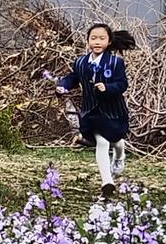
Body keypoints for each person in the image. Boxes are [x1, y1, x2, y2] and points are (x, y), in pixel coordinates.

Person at [56, 22, 131, 200]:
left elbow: (122, 84)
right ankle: (107, 182)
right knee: (103, 142)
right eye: (93, 38)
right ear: (88, 40)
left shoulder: (115, 62)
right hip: (91, 112)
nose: (97, 42)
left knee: (118, 142)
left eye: (102, 38)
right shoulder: (81, 62)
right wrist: (62, 87)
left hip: (113, 111)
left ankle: (120, 157)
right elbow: (72, 78)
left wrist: (107, 87)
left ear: (109, 41)